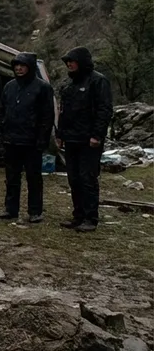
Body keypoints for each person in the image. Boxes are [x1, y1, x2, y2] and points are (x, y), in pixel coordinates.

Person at [56, 47, 113, 232]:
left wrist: (97, 135)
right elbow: (64, 113)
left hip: (89, 140)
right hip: (71, 139)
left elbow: (104, 110)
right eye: (67, 62)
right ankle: (78, 216)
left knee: (87, 178)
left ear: (81, 62)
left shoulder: (98, 81)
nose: (69, 65)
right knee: (74, 178)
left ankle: (90, 218)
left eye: (72, 61)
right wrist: (60, 135)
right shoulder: (68, 85)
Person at [0, 52, 54, 223]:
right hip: (11, 139)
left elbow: (47, 116)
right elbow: (1, 112)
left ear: (30, 67)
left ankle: (35, 211)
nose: (19, 68)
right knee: (12, 177)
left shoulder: (42, 88)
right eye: (16, 65)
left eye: (22, 65)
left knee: (33, 177)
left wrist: (42, 140)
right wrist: (0, 135)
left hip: (32, 140)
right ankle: (10, 209)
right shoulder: (9, 87)